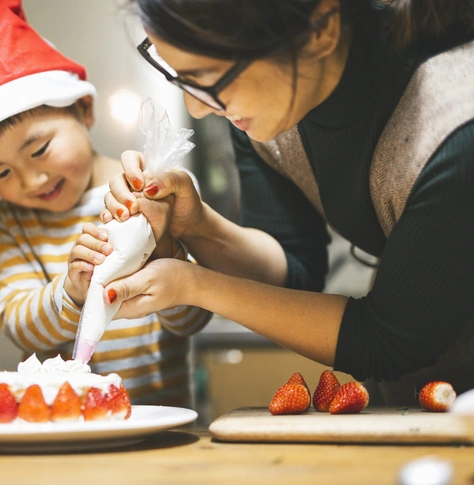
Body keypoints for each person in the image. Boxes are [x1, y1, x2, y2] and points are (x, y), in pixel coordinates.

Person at [102, 0, 474, 405]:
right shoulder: (266, 105)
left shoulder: (454, 127)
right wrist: (198, 226)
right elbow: (294, 272)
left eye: (207, 78)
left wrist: (194, 285)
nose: (198, 107)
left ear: (320, 30)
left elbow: (387, 341)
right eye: (181, 78)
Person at [0, 0, 211, 406]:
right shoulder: (9, 220)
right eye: (1, 173)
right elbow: (19, 325)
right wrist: (71, 291)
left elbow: (193, 319)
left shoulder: (151, 192)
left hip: (159, 419)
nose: (30, 180)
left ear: (85, 109)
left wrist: (164, 254)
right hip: (64, 424)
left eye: (39, 150)